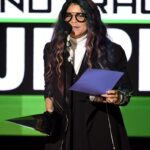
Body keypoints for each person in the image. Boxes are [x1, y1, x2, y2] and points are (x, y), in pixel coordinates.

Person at [43, 0, 133, 150]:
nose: (73, 21)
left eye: (80, 16)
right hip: (64, 129)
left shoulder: (111, 50)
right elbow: (49, 85)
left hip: (98, 124)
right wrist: (48, 112)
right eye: (69, 16)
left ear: (91, 18)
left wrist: (117, 96)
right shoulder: (52, 49)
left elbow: (126, 90)